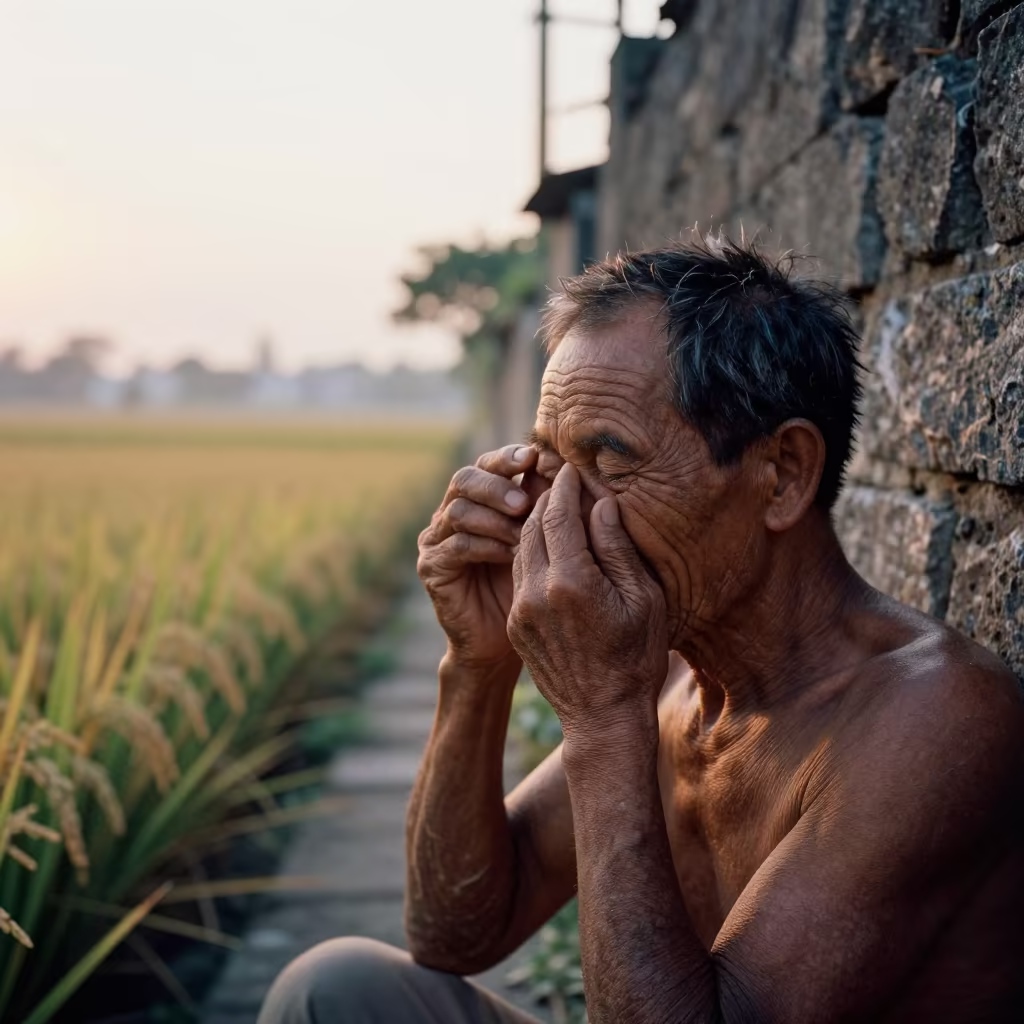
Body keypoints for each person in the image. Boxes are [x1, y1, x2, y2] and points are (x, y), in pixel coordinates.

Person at [259, 238, 1024, 1023]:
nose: (552, 516)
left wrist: (601, 719)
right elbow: (455, 932)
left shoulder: (932, 718)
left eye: (611, 459)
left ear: (783, 473)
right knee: (336, 987)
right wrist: (476, 662)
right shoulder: (672, 675)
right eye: (550, 460)